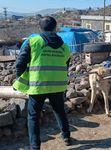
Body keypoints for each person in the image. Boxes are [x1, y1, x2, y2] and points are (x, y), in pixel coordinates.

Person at [13, 16, 71, 150]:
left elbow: (20, 63)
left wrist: (21, 79)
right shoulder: (64, 46)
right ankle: (66, 137)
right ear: (55, 28)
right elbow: (66, 66)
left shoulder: (33, 41)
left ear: (40, 27)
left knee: (33, 117)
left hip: (38, 86)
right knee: (60, 111)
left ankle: (35, 146)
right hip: (57, 86)